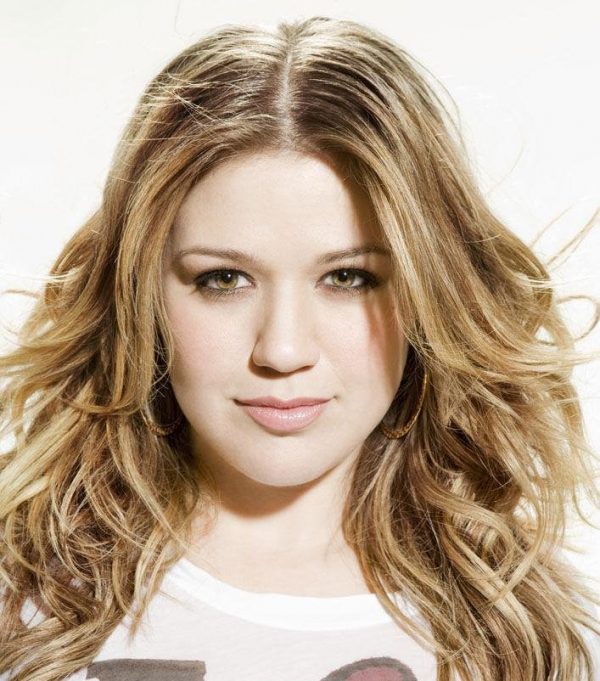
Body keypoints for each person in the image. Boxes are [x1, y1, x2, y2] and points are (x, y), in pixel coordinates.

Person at [0, 15, 599, 681]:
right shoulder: (23, 605)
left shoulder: (532, 639)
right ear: (140, 294)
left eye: (348, 278)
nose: (283, 350)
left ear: (434, 295)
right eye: (223, 279)